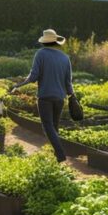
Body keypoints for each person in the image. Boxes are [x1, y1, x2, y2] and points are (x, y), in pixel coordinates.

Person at [11, 29, 74, 162]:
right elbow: (68, 82)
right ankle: (56, 157)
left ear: (44, 42)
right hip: (60, 98)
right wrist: (72, 96)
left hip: (45, 97)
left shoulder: (41, 54)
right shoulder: (65, 58)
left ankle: (60, 153)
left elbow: (33, 77)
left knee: (47, 126)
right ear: (55, 41)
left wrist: (19, 85)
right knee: (54, 127)